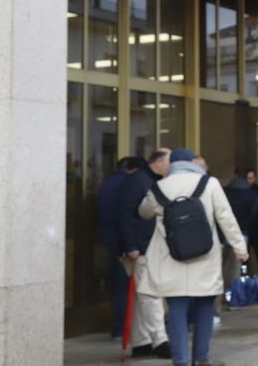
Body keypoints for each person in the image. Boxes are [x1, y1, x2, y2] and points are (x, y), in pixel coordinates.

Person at [137, 148, 247, 366]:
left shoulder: (159, 187)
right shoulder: (210, 184)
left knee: (176, 306)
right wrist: (239, 247)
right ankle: (202, 359)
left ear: (172, 165)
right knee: (206, 304)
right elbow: (226, 217)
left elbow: (144, 212)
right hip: (204, 255)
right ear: (193, 163)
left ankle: (180, 361)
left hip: (171, 256)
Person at [116, 148, 172, 360]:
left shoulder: (147, 180)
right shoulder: (138, 181)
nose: (171, 166)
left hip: (148, 246)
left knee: (143, 295)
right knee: (151, 293)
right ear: (157, 162)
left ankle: (141, 342)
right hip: (140, 248)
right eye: (169, 161)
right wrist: (130, 245)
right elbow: (125, 214)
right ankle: (160, 340)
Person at [95, 156, 146, 339]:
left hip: (110, 240)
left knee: (119, 287)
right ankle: (128, 329)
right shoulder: (130, 186)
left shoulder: (106, 184)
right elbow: (126, 216)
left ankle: (118, 328)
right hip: (127, 244)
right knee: (134, 287)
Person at [223, 168, 258, 289]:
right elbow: (253, 214)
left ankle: (217, 300)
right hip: (242, 233)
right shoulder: (251, 194)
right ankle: (234, 298)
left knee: (220, 264)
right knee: (236, 266)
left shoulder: (224, 192)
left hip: (223, 232)